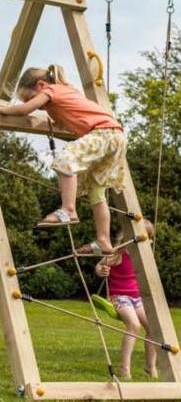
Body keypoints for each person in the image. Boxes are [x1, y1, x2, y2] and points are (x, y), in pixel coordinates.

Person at [0, 64, 127, 254]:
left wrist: (7, 110)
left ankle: (68, 209)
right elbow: (69, 118)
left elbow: (25, 110)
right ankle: (103, 240)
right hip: (116, 139)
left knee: (65, 161)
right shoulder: (67, 93)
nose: (37, 105)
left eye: (29, 97)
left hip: (104, 133)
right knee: (96, 191)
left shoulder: (52, 90)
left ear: (41, 85)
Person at [95, 219, 157, 379]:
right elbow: (100, 265)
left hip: (136, 298)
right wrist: (101, 270)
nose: (148, 242)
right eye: (144, 238)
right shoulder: (119, 252)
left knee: (154, 328)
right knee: (134, 326)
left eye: (149, 239)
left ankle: (150, 367)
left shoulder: (144, 257)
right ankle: (125, 368)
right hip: (119, 297)